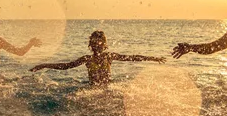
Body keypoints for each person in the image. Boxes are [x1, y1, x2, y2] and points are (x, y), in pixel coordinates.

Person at [30, 30, 166, 86]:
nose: (97, 46)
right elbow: (66, 66)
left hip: (108, 88)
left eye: (100, 44)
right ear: (91, 45)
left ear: (105, 45)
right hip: (92, 89)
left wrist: (153, 58)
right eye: (94, 44)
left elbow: (132, 58)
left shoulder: (109, 57)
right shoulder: (87, 59)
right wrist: (43, 65)